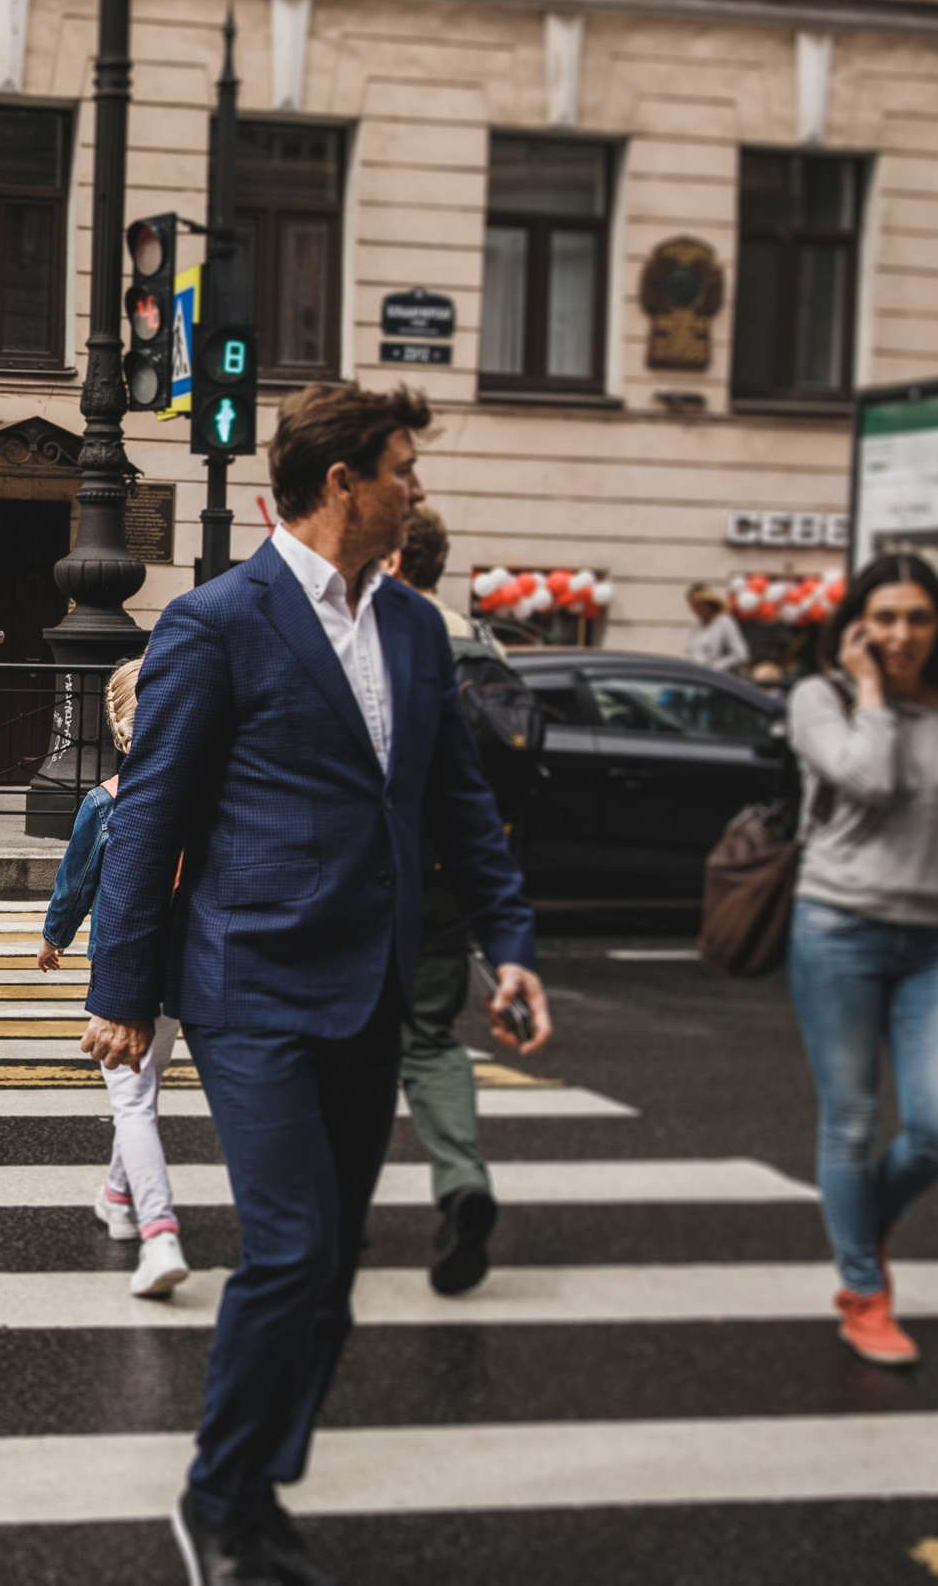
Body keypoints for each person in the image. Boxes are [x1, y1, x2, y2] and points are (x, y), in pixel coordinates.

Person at [81, 384, 553, 1586]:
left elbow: (454, 805)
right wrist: (122, 989)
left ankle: (256, 1482)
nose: (417, 490)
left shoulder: (406, 625)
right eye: (403, 468)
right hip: (250, 983)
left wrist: (510, 943)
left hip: (373, 984)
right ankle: (216, 1500)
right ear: (341, 482)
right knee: (290, 1254)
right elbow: (152, 819)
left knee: (333, 1270)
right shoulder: (217, 621)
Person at [786, 551, 938, 1367]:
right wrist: (872, 692)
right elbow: (867, 778)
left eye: (919, 617)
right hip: (837, 926)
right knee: (854, 1120)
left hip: (934, 937)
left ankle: (863, 1220)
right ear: (858, 627)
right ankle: (864, 1290)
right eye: (885, 617)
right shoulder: (821, 697)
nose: (901, 633)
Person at [388, 505, 518, 1295]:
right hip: (455, 880)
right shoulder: (485, 643)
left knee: (348, 1045)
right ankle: (463, 1178)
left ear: (397, 561)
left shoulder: (398, 636)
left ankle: (331, 1218)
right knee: (430, 1037)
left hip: (380, 873)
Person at [37, 656, 188, 1297]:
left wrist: (54, 937)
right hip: (185, 967)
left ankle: (159, 1232)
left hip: (124, 966)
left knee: (132, 1100)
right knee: (144, 1087)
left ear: (121, 731)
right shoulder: (199, 793)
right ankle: (116, 1195)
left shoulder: (106, 802)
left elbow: (76, 882)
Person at [686, 582, 752, 675]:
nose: (696, 612)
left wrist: (714, 667)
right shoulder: (697, 625)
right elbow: (688, 651)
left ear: (707, 605)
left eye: (698, 608)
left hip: (715, 678)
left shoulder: (725, 623)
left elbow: (741, 655)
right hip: (696, 677)